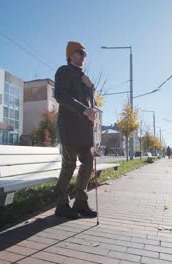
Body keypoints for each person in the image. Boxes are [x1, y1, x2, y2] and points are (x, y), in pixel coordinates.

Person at [53, 41, 97, 219]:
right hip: (70, 126)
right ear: (70, 54)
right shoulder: (63, 71)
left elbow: (90, 104)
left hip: (84, 129)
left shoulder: (84, 77)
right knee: (69, 165)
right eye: (80, 53)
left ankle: (80, 202)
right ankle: (62, 205)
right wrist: (83, 110)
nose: (83, 56)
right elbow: (60, 96)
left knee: (87, 164)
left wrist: (91, 87)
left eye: (85, 54)